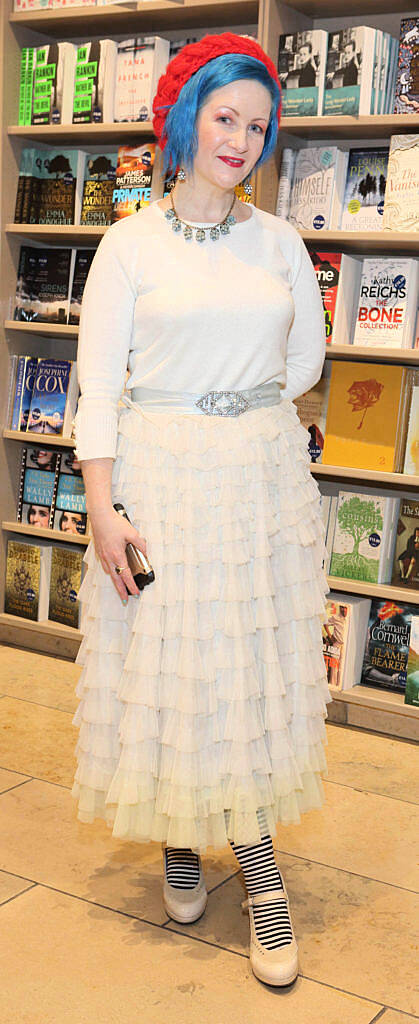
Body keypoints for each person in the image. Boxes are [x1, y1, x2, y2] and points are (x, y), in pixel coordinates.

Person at [71, 32, 332, 988]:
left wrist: (242, 407)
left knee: (248, 670)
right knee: (178, 665)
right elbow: (96, 387)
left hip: (257, 477)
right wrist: (102, 506)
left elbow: (303, 364)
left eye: (258, 125)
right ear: (183, 120)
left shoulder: (282, 242)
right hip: (160, 476)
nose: (241, 139)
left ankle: (259, 877)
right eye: (224, 116)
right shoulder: (126, 244)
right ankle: (184, 843)